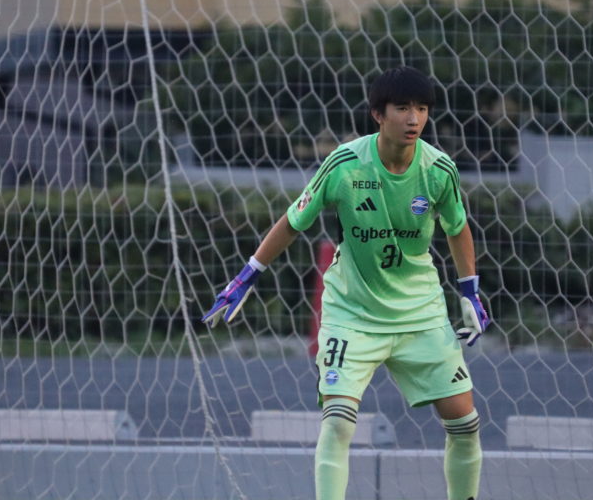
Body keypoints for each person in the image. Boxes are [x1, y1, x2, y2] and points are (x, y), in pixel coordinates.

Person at [202, 66, 490, 500]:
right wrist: (247, 276)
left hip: (420, 312)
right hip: (351, 313)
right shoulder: (344, 163)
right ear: (378, 114)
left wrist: (469, 290)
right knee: (337, 423)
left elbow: (457, 226)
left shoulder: (438, 170)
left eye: (422, 109)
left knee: (465, 423)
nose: (414, 118)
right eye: (402, 108)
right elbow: (294, 220)